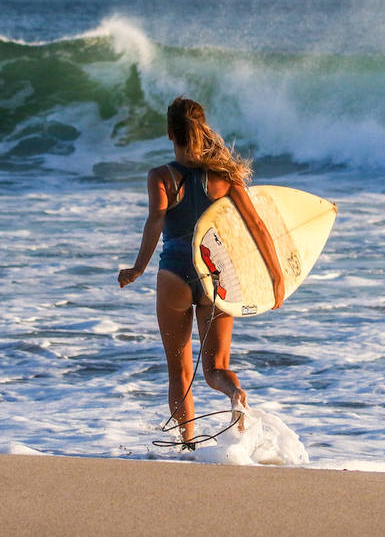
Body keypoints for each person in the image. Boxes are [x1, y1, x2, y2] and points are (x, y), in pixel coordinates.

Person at [117, 96, 284, 448]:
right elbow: (256, 225)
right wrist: (276, 277)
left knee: (179, 371)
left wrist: (138, 268)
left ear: (169, 133)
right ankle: (235, 396)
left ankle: (186, 443)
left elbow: (156, 220)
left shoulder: (161, 176)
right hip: (215, 276)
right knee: (215, 369)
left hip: (175, 276)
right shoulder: (225, 176)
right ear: (202, 128)